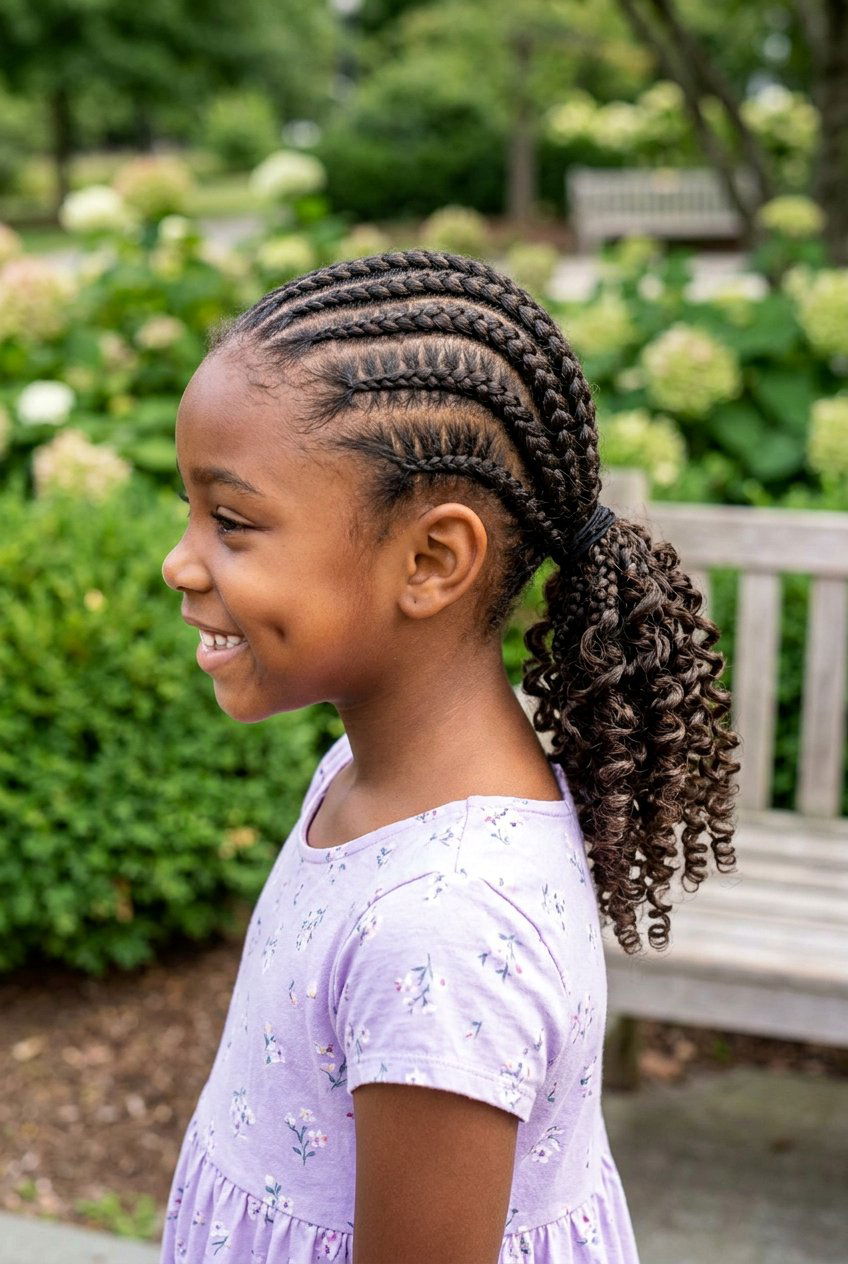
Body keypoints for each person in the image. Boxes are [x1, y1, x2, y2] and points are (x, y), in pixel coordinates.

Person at [159, 248, 740, 1264]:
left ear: (430, 560)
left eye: (233, 521)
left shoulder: (444, 925)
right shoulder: (362, 773)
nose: (180, 559)